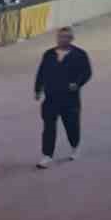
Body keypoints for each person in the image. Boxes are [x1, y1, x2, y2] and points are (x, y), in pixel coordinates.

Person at [34, 26, 92, 169]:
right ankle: (47, 155)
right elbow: (41, 72)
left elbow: (87, 72)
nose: (62, 39)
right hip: (51, 97)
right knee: (49, 127)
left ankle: (75, 146)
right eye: (60, 37)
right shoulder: (48, 54)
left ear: (71, 39)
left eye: (66, 37)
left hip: (70, 98)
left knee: (71, 125)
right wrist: (38, 89)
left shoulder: (80, 54)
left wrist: (77, 84)